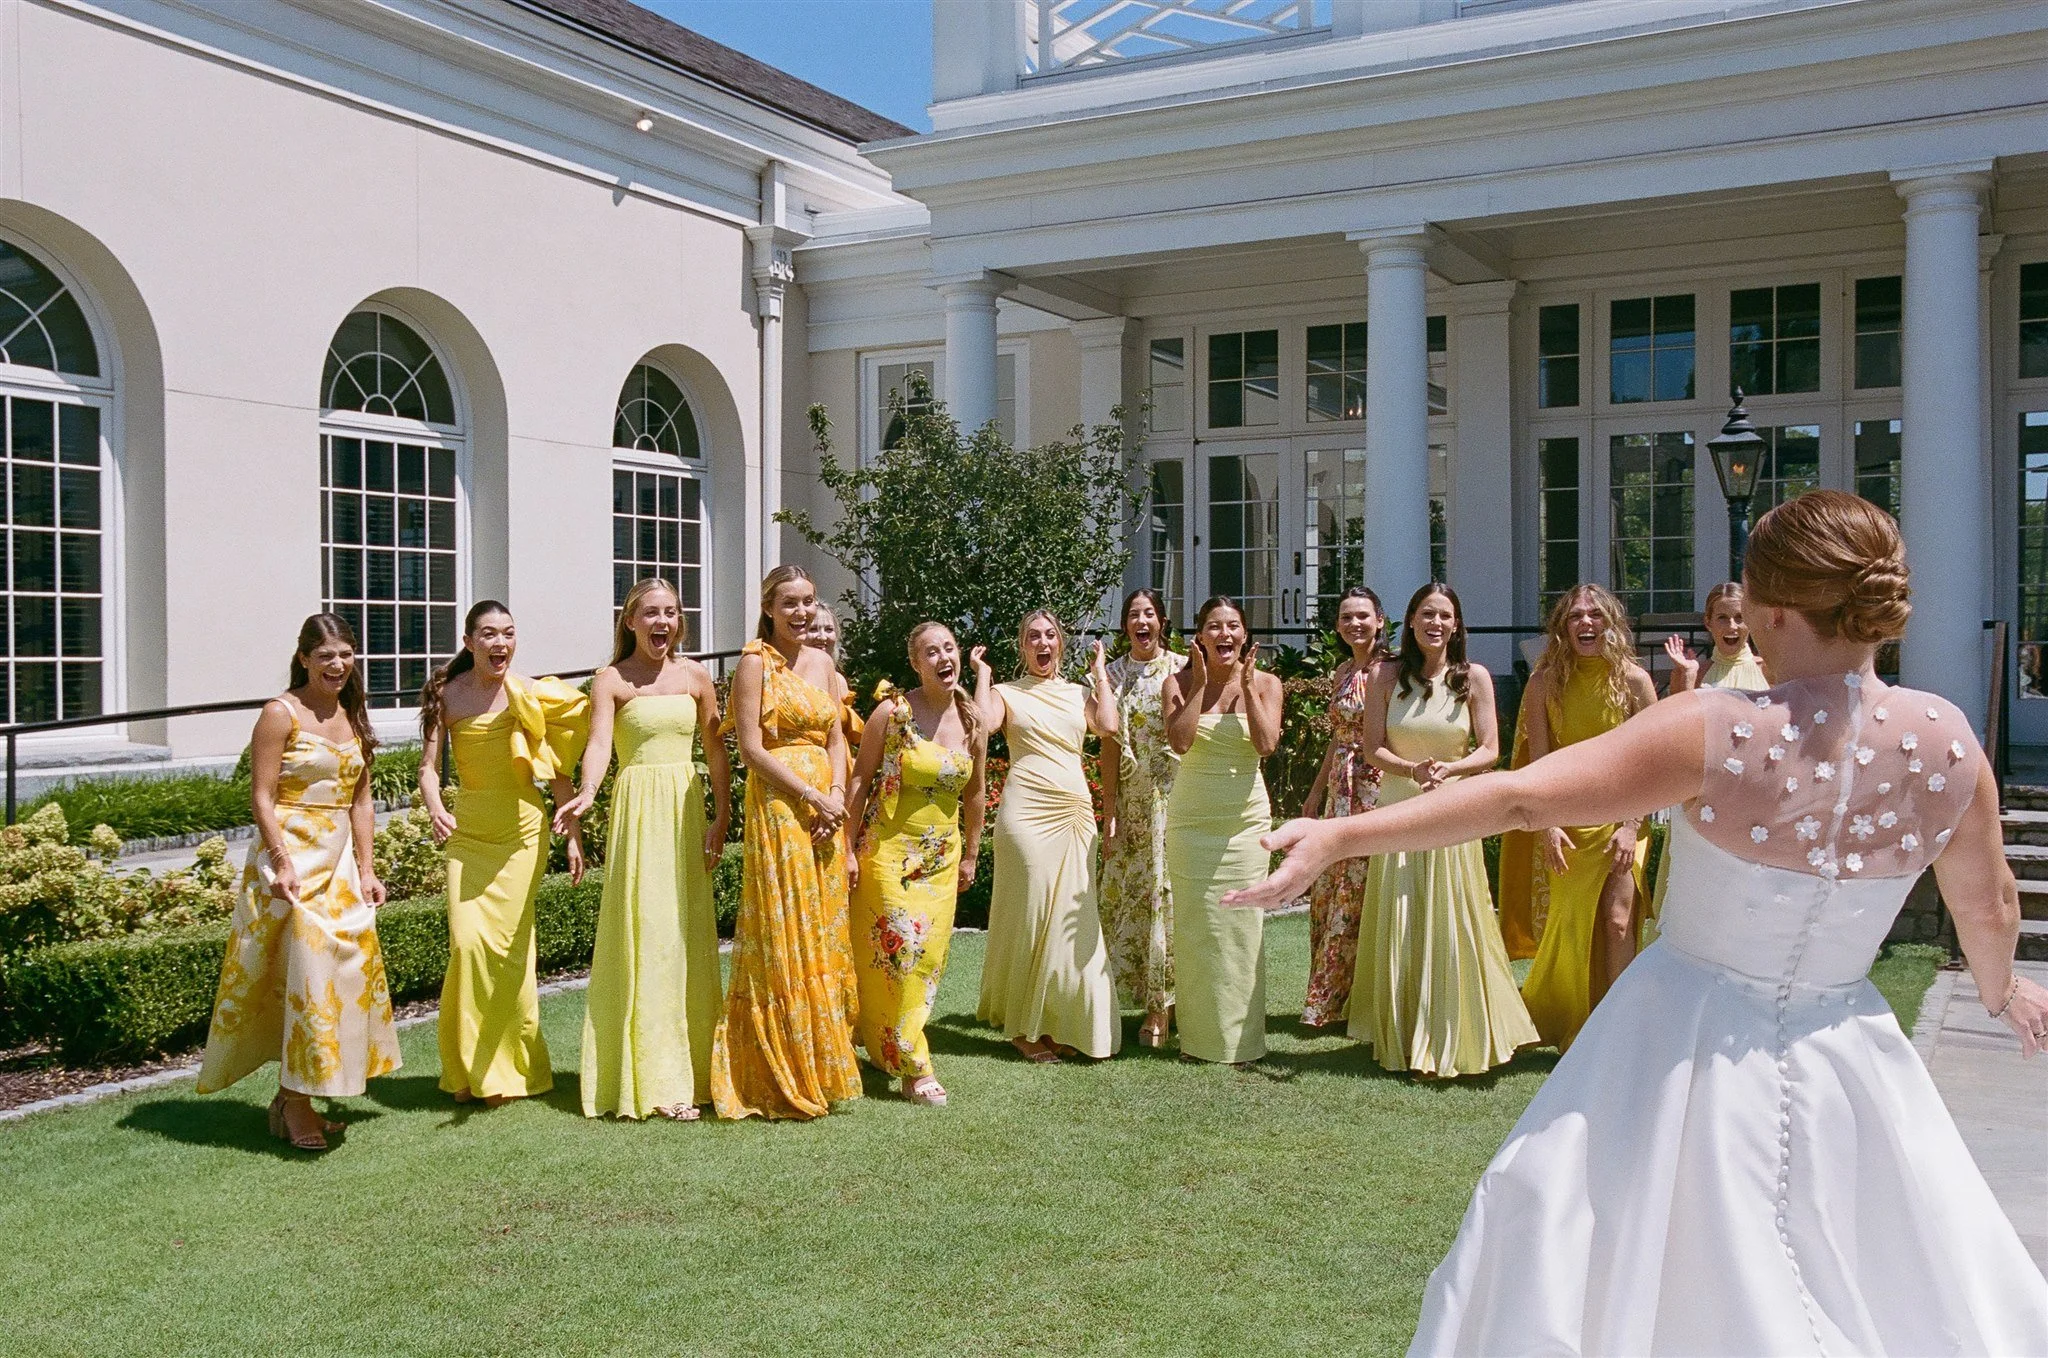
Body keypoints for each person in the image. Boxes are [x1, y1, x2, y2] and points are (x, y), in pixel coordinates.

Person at [1225, 490, 2048, 1355]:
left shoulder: (1719, 728)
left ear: (1768, 611)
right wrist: (2001, 990)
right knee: (1882, 1272)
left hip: (1680, 1041)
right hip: (1849, 1047)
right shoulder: (1949, 741)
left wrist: (1340, 835)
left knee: (1596, 1255)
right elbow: (1988, 903)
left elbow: (1515, 796)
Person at [195, 613, 398, 1151]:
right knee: (302, 980)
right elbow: (261, 796)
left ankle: (291, 1096)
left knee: (339, 977)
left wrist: (369, 869)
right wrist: (282, 859)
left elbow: (360, 801)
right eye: (326, 655)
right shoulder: (278, 714)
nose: (338, 664)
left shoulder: (353, 713)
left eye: (346, 654)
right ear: (304, 658)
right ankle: (297, 1100)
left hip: (338, 866)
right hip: (289, 861)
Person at [556, 578, 731, 1120]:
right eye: (651, 613)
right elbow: (599, 746)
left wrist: (723, 817)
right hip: (637, 815)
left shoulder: (697, 675)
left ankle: (697, 1074)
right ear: (630, 620)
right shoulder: (609, 680)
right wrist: (586, 793)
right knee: (648, 935)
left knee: (685, 936)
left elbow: (717, 752)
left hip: (685, 812)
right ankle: (655, 1080)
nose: (662, 623)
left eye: (671, 613)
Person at [1348, 585, 1535, 1076]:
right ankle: (1404, 1035)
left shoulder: (1472, 678)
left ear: (1456, 625)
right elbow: (1372, 747)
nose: (1435, 623)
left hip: (1452, 808)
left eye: (1445, 616)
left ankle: (1452, 1031)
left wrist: (1448, 772)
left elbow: (1491, 748)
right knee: (1405, 913)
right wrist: (1411, 771)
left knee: (1450, 916)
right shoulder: (1386, 675)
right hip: (1398, 809)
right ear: (1410, 621)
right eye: (1426, 614)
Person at [417, 600, 588, 1108]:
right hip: (469, 836)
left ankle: (506, 1075)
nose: (500, 644)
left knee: (511, 953)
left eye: (508, 634)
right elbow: (428, 768)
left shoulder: (529, 694)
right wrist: (434, 809)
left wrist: (573, 830)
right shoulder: (446, 695)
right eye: (489, 634)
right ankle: (468, 1070)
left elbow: (556, 765)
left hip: (522, 835)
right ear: (469, 641)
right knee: (467, 946)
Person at [709, 565, 863, 1119]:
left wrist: (837, 795)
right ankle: (781, 1066)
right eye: (790, 603)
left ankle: (825, 1061)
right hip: (779, 805)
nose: (801, 613)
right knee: (786, 927)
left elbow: (838, 736)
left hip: (826, 805)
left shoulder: (823, 663)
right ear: (769, 608)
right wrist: (809, 796)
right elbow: (750, 748)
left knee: (822, 927)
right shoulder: (754, 664)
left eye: (808, 602)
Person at [1500, 584, 1657, 1050]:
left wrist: (1631, 826)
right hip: (1568, 818)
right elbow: (1540, 764)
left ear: (1611, 624)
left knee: (1617, 921)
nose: (1586, 623)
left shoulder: (1635, 681)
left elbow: (1654, 762)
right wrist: (1546, 825)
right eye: (1576, 617)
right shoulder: (1544, 682)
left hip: (1624, 815)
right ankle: (1573, 1024)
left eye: (1596, 616)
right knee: (1570, 925)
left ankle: (1623, 1031)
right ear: (1562, 627)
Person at [845, 622, 985, 1104]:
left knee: (923, 962)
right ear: (914, 663)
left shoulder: (972, 720)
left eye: (949, 648)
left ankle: (884, 1046)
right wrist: (846, 849)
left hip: (942, 859)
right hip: (888, 851)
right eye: (931, 651)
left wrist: (971, 854)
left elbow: (977, 792)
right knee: (897, 953)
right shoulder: (892, 712)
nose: (942, 657)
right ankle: (914, 1066)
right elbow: (860, 781)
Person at [972, 611, 1121, 1062]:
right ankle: (1022, 1026)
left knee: (1073, 921)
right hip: (1027, 813)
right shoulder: (1005, 692)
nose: (1042, 643)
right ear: (1023, 646)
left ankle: (1058, 1022)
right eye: (1033, 636)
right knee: (1033, 912)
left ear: (1061, 643)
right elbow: (982, 724)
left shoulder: (1079, 694)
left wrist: (1099, 676)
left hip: (1074, 812)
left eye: (1050, 635)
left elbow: (1109, 726)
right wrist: (983, 674)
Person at [1163, 595, 1283, 1065]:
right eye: (1214, 626)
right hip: (1192, 820)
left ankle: (1243, 1043)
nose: (1225, 635)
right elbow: (1180, 740)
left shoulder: (1269, 683)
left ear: (1246, 634)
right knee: (1196, 929)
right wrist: (1198, 683)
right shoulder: (1177, 682)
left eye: (1233, 626)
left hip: (1245, 821)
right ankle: (1198, 1041)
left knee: (1241, 928)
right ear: (1200, 635)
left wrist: (1247, 687)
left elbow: (1266, 744)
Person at [1097, 588, 1187, 1047]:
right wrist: (1109, 810)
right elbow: (1108, 747)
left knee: (1169, 897)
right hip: (1132, 804)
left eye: (1149, 613)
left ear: (1163, 621)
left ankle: (1166, 1007)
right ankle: (1129, 998)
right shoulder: (1111, 676)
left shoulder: (1181, 669)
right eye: (1133, 615)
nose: (1142, 621)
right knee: (1130, 898)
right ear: (1125, 625)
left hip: (1175, 797)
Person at [1299, 586, 1387, 1027]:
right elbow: (1337, 736)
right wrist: (1316, 793)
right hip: (1340, 783)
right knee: (1331, 884)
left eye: (1363, 617)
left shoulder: (1388, 671)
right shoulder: (1341, 672)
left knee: (1360, 886)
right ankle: (1329, 995)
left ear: (1381, 622)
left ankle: (1353, 999)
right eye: (1347, 618)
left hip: (1374, 785)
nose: (1355, 624)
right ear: (1338, 626)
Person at [1664, 580, 1769, 694]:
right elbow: (1680, 711)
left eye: (1739, 617)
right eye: (1722, 618)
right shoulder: (1695, 672)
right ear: (1708, 623)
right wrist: (1688, 674)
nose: (1732, 626)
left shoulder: (1768, 670)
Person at [809, 603, 862, 748]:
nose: (822, 637)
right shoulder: (792, 677)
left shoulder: (839, 680)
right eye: (813, 629)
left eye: (829, 629)